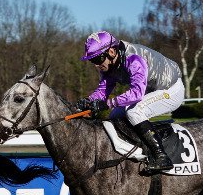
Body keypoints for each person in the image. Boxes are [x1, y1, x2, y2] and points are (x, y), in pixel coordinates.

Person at [76, 31, 185, 174]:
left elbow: (136, 94)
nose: (96, 65)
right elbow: (102, 92)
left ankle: (161, 157)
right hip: (151, 90)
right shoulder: (109, 65)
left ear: (111, 52)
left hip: (171, 90)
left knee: (134, 111)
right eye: (92, 61)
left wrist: (107, 104)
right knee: (114, 115)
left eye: (97, 59)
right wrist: (88, 101)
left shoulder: (134, 59)